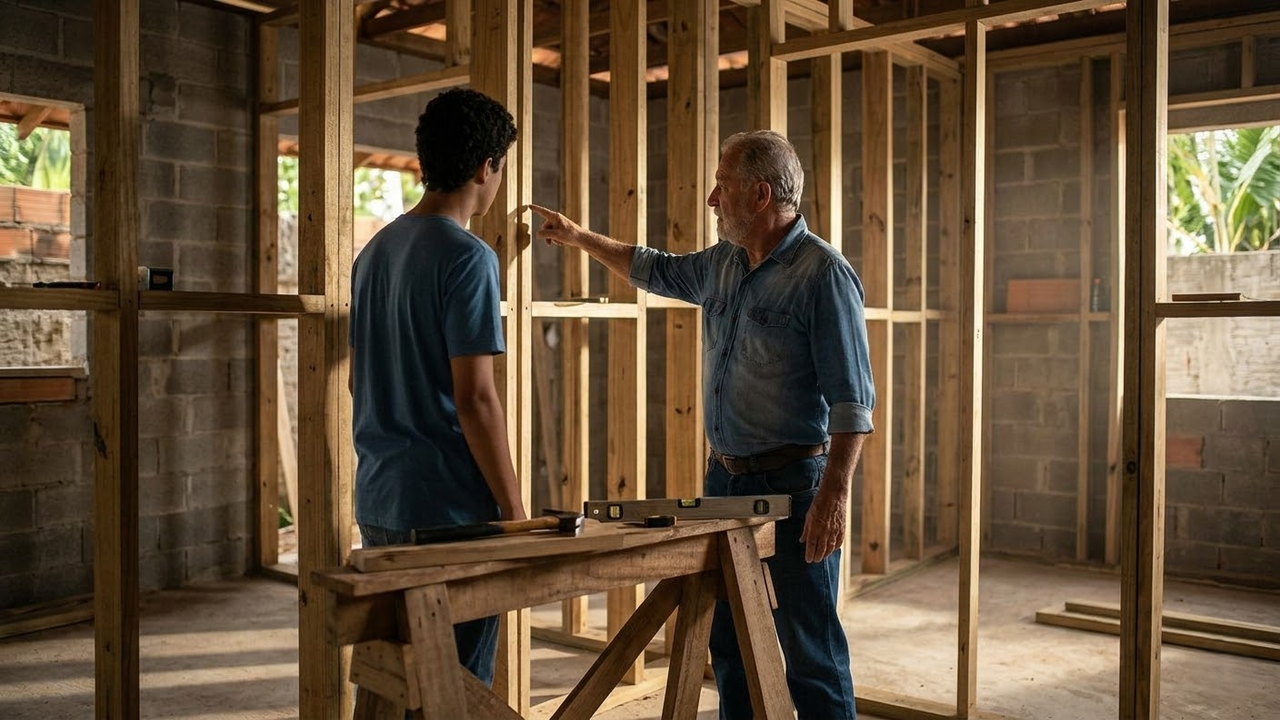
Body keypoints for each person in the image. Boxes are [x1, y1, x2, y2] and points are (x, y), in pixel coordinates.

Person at [528, 130, 875, 719]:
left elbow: (852, 404)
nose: (712, 200)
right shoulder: (723, 264)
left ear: (761, 195)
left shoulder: (822, 275)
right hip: (726, 483)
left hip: (795, 487)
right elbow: (654, 269)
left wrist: (833, 496)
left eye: (723, 186)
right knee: (730, 639)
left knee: (809, 644)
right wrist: (578, 237)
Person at [348, 87, 526, 686]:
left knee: (397, 686)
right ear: (486, 167)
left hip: (379, 504)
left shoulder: (373, 253)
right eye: (503, 167)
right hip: (449, 512)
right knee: (455, 691)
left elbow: (359, 380)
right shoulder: (469, 258)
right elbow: (476, 399)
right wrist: (512, 508)